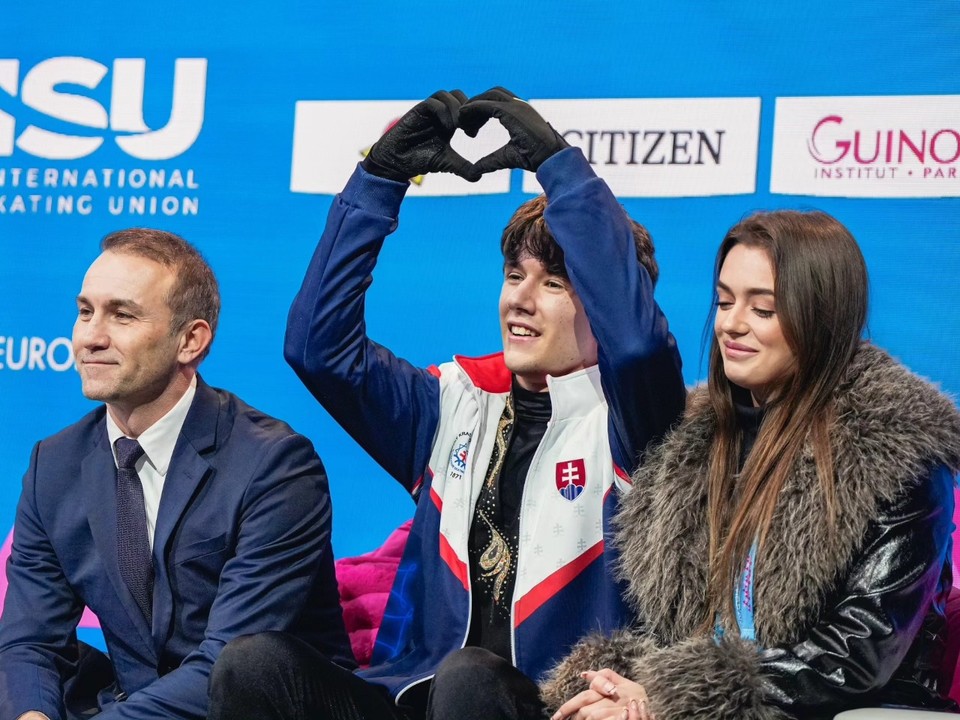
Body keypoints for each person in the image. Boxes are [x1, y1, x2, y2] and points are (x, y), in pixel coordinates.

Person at [207, 87, 686, 720]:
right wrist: (379, 180)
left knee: (469, 678)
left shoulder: (636, 420)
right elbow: (316, 346)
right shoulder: (453, 403)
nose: (521, 299)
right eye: (515, 275)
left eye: (556, 284)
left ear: (601, 301)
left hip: (552, 707)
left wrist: (559, 167)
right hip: (417, 696)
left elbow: (635, 345)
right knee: (253, 666)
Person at [543, 210, 960, 720]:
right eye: (723, 301)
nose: (731, 324)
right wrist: (627, 691)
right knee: (483, 680)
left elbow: (858, 655)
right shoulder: (694, 443)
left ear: (820, 317)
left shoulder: (898, 452)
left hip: (843, 709)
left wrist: (671, 699)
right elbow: (671, 628)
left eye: (762, 309)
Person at [0, 229, 354, 720]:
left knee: (246, 664)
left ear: (190, 340)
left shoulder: (274, 465)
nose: (91, 337)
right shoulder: (53, 465)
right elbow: (30, 640)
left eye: (122, 315)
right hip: (136, 704)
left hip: (265, 705)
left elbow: (228, 663)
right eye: (85, 311)